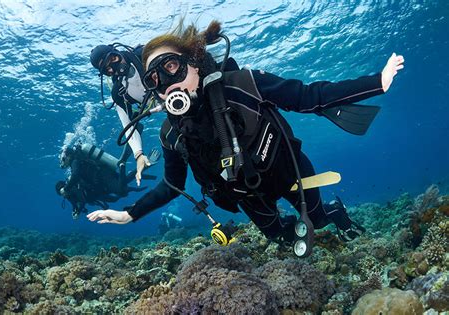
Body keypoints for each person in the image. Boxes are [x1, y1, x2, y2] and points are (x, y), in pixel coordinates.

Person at [88, 21, 404, 249]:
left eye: (173, 66)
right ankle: (288, 229)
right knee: (283, 237)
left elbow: (309, 96)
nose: (169, 82)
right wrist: (130, 214)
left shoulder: (243, 85)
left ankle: (336, 213)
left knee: (318, 220)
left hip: (290, 173)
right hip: (249, 198)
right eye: (156, 78)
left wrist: (377, 81)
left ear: (195, 64)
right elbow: (171, 186)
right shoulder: (171, 133)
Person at [90, 43, 155, 186]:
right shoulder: (119, 93)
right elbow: (127, 125)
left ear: (117, 52)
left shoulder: (145, 54)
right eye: (107, 69)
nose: (113, 67)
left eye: (113, 58)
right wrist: (138, 155)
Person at [57, 144, 159, 218]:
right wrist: (76, 210)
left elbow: (75, 175)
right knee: (123, 185)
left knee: (121, 190)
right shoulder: (76, 162)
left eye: (62, 159)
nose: (62, 163)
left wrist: (66, 188)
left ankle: (123, 162)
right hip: (102, 177)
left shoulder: (75, 161)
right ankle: (145, 164)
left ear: (67, 156)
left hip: (103, 175)